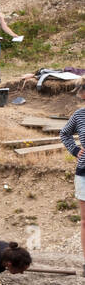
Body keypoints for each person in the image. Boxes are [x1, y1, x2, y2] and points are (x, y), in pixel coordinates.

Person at [59, 82, 85, 273]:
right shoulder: (79, 115)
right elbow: (64, 133)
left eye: (81, 90)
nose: (80, 94)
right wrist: (75, 150)